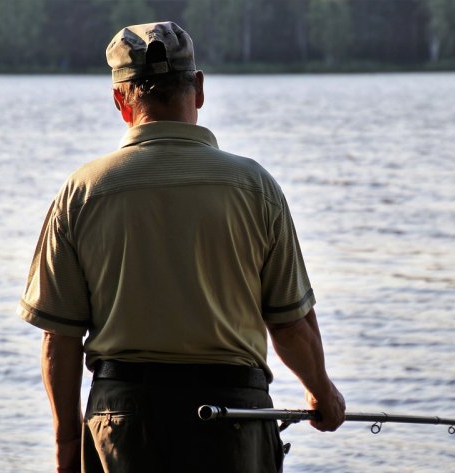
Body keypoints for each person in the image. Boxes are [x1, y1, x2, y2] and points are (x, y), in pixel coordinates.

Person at [17, 21, 345, 473]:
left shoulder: (82, 191)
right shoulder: (254, 187)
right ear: (199, 88)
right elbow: (290, 324)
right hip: (234, 416)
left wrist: (67, 446)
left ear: (120, 100)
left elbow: (60, 338)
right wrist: (321, 393)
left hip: (121, 419)